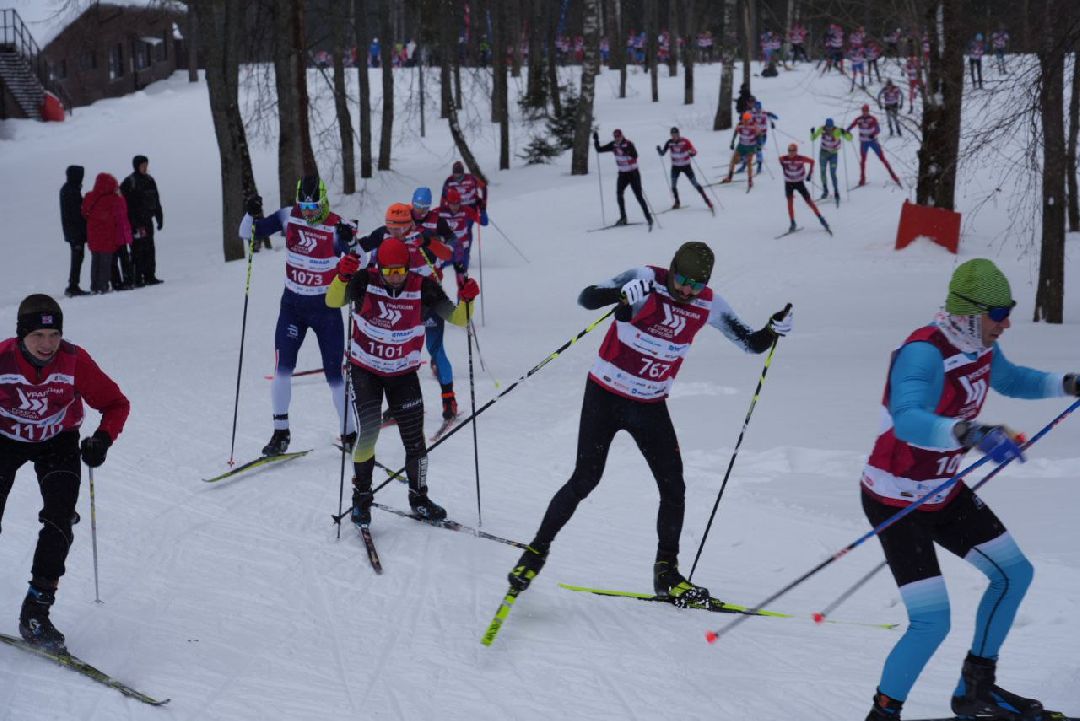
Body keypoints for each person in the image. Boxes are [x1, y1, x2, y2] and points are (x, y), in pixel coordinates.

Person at [505, 242, 793, 604]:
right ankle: (534, 553)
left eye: (697, 284)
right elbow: (587, 299)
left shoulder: (709, 304)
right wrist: (618, 294)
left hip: (649, 404)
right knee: (585, 478)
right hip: (605, 395)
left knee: (674, 486)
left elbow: (751, 344)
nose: (688, 290)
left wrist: (772, 328)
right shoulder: (645, 278)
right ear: (672, 268)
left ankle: (666, 573)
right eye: (682, 279)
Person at [860, 258, 1079, 721]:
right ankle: (883, 712)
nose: (1007, 322)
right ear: (970, 312)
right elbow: (908, 418)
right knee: (932, 622)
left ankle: (975, 690)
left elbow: (1013, 379)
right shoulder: (923, 352)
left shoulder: (979, 345)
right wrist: (970, 434)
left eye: (1008, 311)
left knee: (1013, 574)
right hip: (895, 497)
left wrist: (1067, 384)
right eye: (999, 312)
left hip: (942, 490)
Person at [0, 294, 129, 653]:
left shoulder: (74, 361)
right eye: (38, 336)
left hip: (58, 441)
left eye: (54, 334)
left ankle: (36, 612)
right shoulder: (2, 359)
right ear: (22, 336)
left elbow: (116, 404)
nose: (47, 344)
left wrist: (102, 439)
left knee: (59, 519)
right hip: (4, 440)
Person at [326, 237, 479, 526]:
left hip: (403, 373)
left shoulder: (423, 287)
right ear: (378, 267)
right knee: (369, 433)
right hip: (365, 370)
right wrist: (342, 276)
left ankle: (419, 499)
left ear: (408, 268)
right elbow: (332, 300)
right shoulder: (363, 281)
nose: (394, 278)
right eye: (388, 271)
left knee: (415, 441)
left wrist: (468, 299)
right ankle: (361, 499)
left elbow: (459, 318)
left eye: (400, 272)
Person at [239, 175, 358, 456]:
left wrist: (349, 241)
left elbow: (359, 257)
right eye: (304, 207)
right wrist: (250, 212)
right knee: (282, 369)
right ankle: (281, 433)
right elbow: (248, 233)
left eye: (315, 207)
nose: (309, 213)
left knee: (335, 375)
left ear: (324, 200)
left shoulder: (337, 226)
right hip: (292, 307)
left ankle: (350, 433)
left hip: (326, 309)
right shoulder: (287, 217)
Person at [81, 172, 132, 295]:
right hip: (107, 235)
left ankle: (95, 285)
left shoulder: (90, 197)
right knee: (106, 262)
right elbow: (122, 213)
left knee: (96, 261)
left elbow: (84, 212)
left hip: (93, 235)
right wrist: (120, 196)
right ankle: (102, 286)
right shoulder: (112, 199)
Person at [593, 129, 654, 228]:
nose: (617, 138)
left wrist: (627, 151)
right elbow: (599, 150)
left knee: (638, 196)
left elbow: (635, 155)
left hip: (633, 173)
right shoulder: (613, 145)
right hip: (622, 174)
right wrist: (596, 140)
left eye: (618, 136)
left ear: (622, 136)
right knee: (619, 194)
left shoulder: (628, 143)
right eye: (615, 137)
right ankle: (623, 218)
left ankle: (648, 217)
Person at [120, 154, 164, 287]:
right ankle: (137, 277)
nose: (145, 168)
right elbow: (124, 204)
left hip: (147, 221)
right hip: (135, 222)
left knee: (150, 248)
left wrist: (159, 216)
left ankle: (150, 275)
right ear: (137, 166)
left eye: (146, 165)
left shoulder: (150, 180)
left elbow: (156, 200)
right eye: (143, 165)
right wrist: (131, 223)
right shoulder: (129, 182)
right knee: (137, 250)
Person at [656, 127, 713, 212]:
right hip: (675, 167)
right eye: (672, 135)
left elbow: (694, 151)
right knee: (673, 185)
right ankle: (677, 202)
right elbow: (663, 153)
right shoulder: (669, 142)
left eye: (675, 134)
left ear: (678, 134)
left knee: (695, 183)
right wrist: (659, 150)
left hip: (686, 166)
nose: (674, 136)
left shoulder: (685, 141)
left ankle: (707, 201)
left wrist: (691, 152)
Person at [779, 143, 830, 234]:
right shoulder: (784, 159)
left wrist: (809, 174)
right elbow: (780, 160)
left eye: (792, 150)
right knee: (790, 203)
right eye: (789, 150)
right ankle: (792, 223)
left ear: (796, 151)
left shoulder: (800, 158)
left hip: (799, 183)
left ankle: (821, 218)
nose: (790, 152)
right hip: (788, 183)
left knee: (809, 201)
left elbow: (812, 161)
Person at [848, 104, 901, 187]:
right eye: (863, 111)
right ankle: (862, 179)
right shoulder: (859, 119)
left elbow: (878, 129)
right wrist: (847, 130)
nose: (865, 113)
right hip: (863, 143)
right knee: (863, 161)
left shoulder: (872, 119)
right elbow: (852, 125)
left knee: (883, 159)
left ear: (868, 111)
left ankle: (894, 176)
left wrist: (873, 134)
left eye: (866, 111)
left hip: (873, 142)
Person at [59, 166, 88, 297]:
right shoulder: (71, 191)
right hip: (76, 231)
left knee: (78, 258)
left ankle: (74, 284)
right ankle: (73, 285)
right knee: (77, 258)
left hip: (74, 231)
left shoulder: (70, 189)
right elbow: (76, 213)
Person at [810, 118, 852, 202]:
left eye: (830, 127)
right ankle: (825, 190)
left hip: (833, 154)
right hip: (823, 153)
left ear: (833, 126)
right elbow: (813, 138)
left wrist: (846, 133)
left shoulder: (838, 131)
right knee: (822, 171)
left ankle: (836, 191)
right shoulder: (822, 129)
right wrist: (812, 133)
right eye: (828, 127)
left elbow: (849, 138)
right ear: (826, 126)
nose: (829, 129)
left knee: (833, 173)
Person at [722, 112, 760, 189]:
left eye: (747, 120)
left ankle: (750, 181)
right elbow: (735, 132)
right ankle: (729, 177)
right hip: (741, 146)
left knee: (749, 163)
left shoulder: (754, 125)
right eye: (744, 119)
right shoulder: (740, 124)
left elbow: (759, 134)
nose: (745, 121)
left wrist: (758, 145)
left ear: (750, 119)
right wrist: (732, 142)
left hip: (751, 146)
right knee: (733, 161)